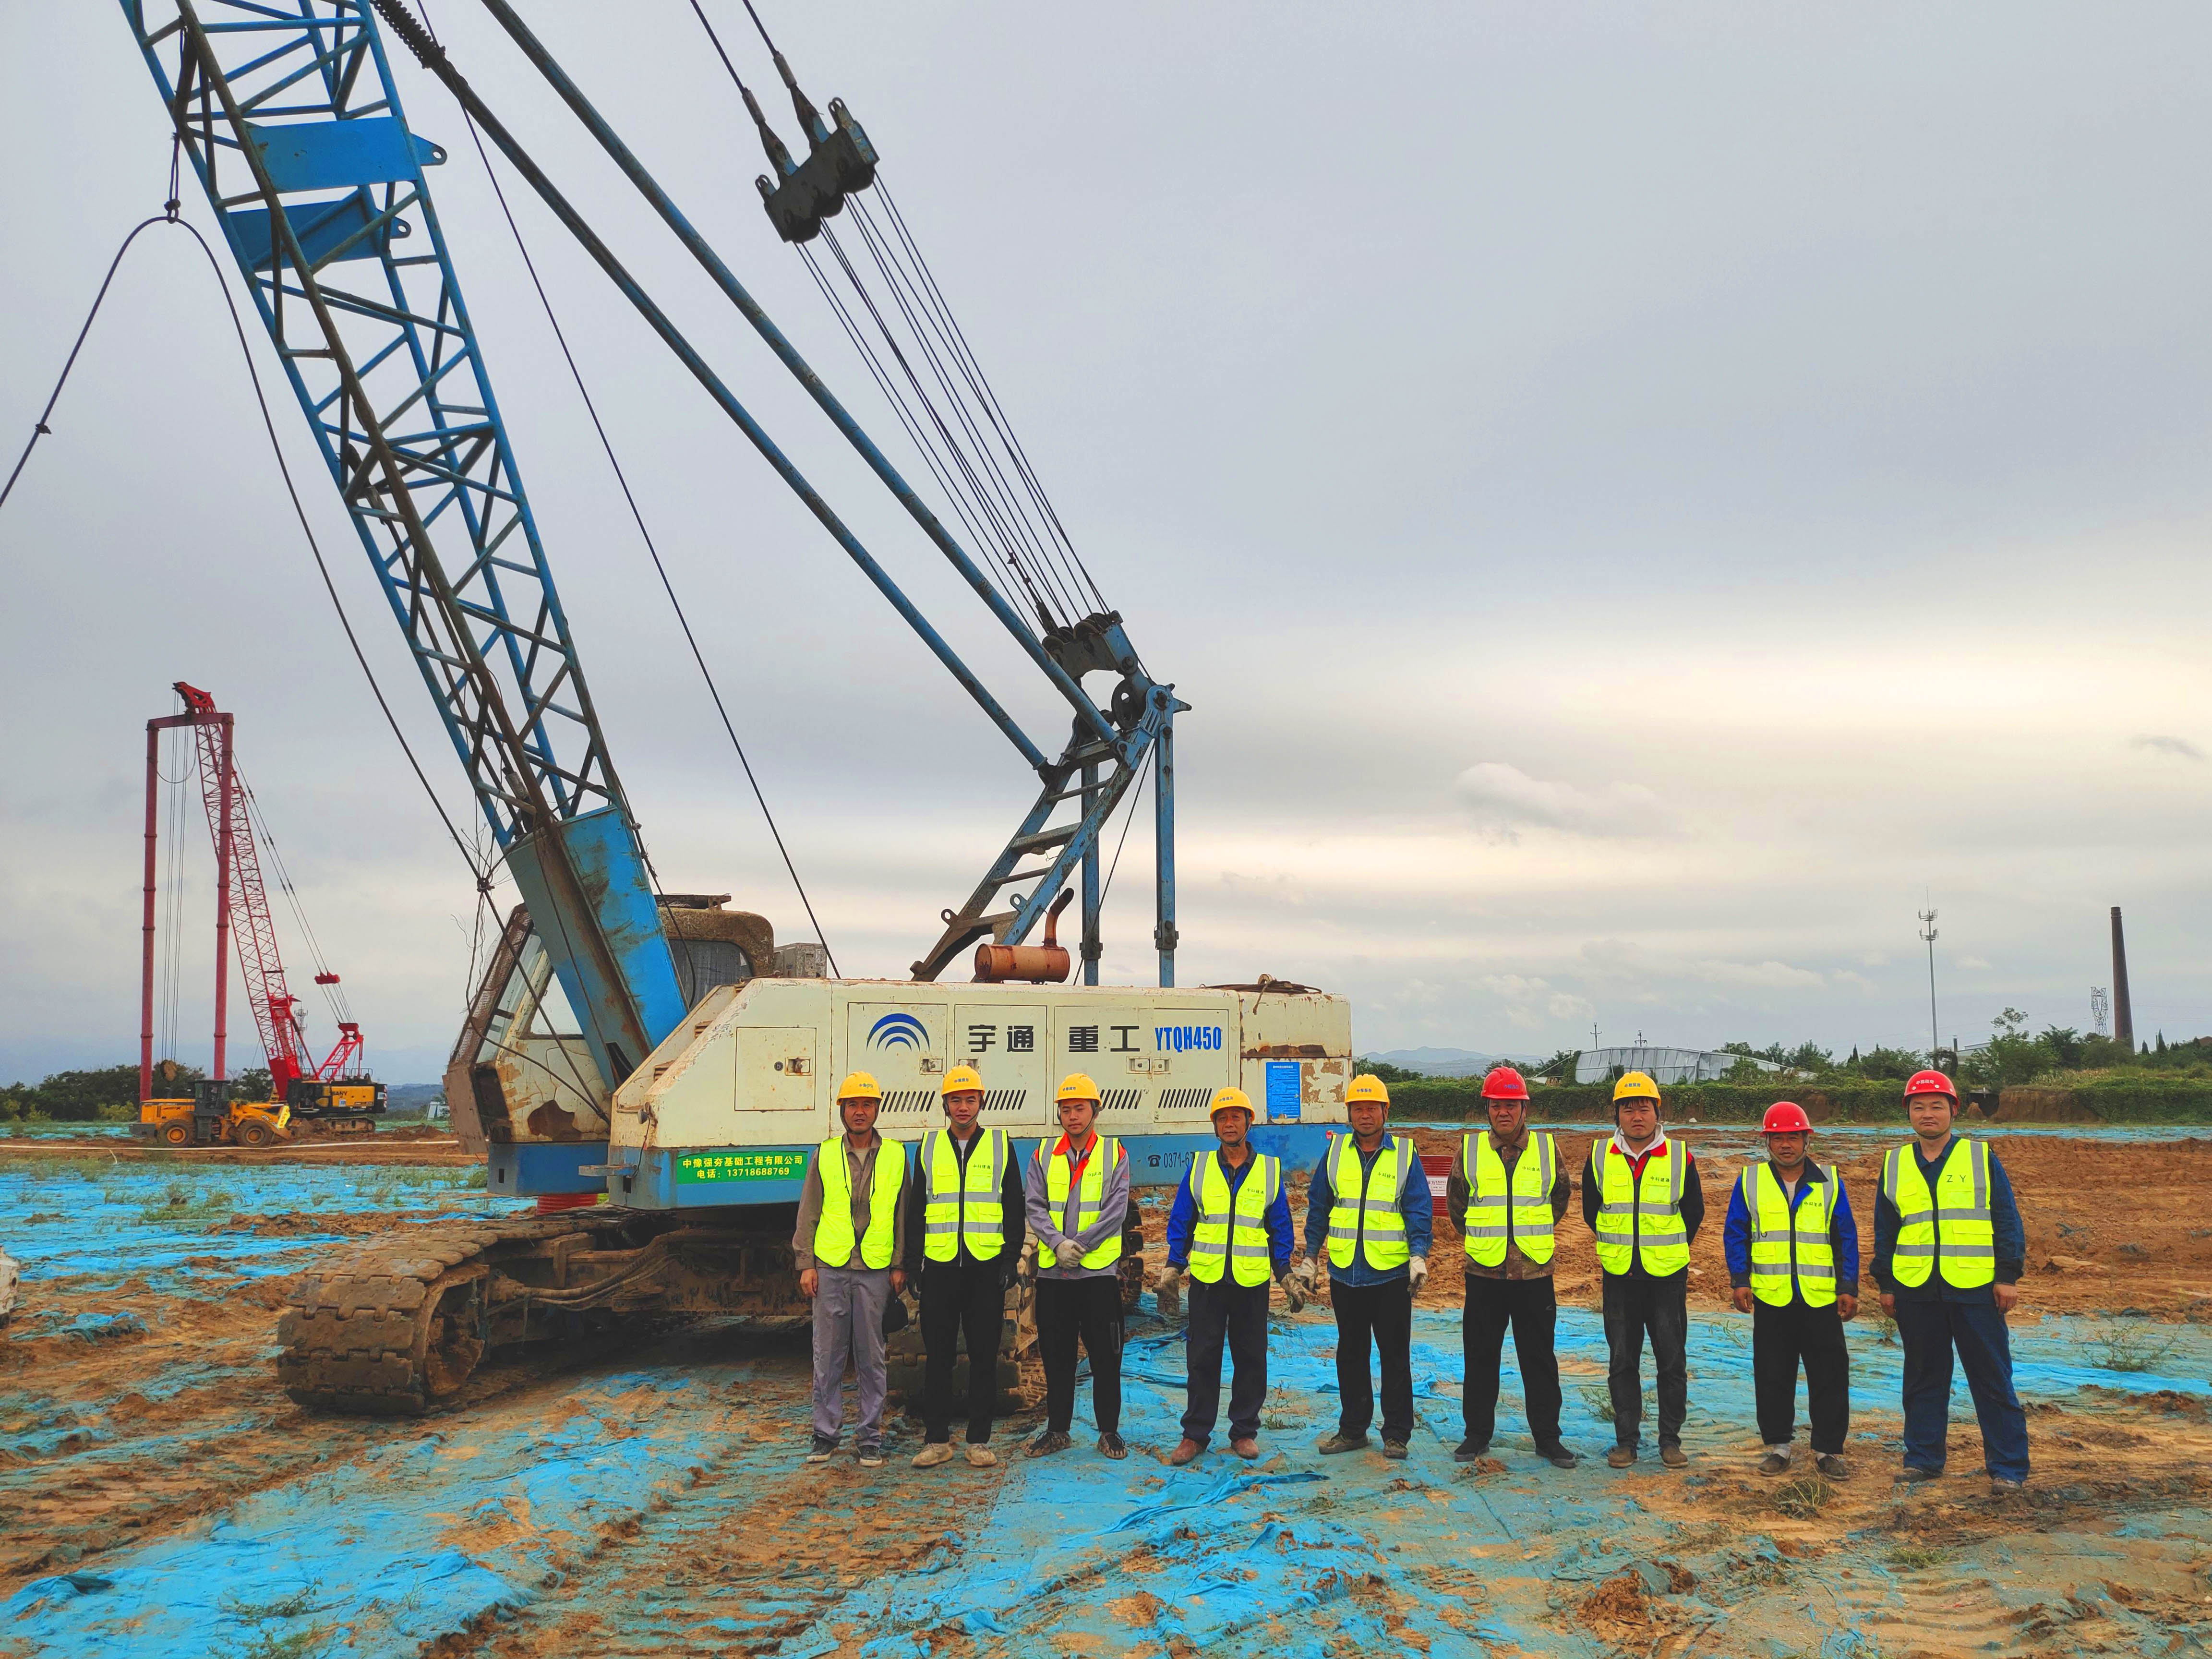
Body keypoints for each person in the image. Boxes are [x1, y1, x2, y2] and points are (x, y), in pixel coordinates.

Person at [1871, 1069, 2030, 1495]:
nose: (1928, 1114)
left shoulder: (1980, 1157)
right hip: (1916, 1288)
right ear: (1908, 1113)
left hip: (1975, 1287)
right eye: (1919, 1107)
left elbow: (2006, 1219)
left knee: (1992, 1378)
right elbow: (1886, 1231)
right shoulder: (1894, 1163)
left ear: (1954, 1110)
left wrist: (2008, 1275)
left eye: (1936, 1106)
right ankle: (1923, 1459)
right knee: (1923, 1377)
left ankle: (2008, 1467)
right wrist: (1886, 1284)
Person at [1443, 1065, 1577, 1469]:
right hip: (1485, 1273)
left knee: (1539, 1358)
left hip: (1534, 1274)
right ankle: (1477, 1435)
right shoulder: (1469, 1151)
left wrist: (1527, 1239)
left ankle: (1548, 1439)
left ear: (1525, 1109)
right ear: (1488, 1109)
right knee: (1480, 1357)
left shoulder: (1547, 1149)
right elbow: (1457, 1207)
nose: (1504, 1112)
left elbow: (1560, 1198)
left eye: (1512, 1105)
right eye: (1497, 1105)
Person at [1297, 1072, 1432, 1460]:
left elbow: (1419, 1209)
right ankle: (1353, 1429)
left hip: (1389, 1275)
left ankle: (1396, 1434)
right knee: (1350, 1353)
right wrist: (1311, 1258)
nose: (1365, 1114)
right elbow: (1320, 1206)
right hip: (1345, 1272)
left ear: (1385, 1111)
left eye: (1372, 1107)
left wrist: (1418, 1255)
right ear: (1350, 1113)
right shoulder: (1336, 1153)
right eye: (1358, 1108)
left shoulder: (1405, 1154)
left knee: (1394, 1354)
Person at [1723, 1101, 1860, 1479]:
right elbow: (1736, 1233)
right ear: (1767, 1141)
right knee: (1772, 1373)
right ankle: (1778, 1447)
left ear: (1806, 1139)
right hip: (1772, 1296)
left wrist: (1849, 1285)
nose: (1786, 1145)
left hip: (1821, 1298)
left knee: (1830, 1374)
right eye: (1778, 1138)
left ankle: (1827, 1450)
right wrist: (1740, 1280)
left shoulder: (1829, 1181)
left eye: (1793, 1137)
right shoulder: (1750, 1181)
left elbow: (1845, 1236)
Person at [1163, 1086, 1297, 1465]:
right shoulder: (1201, 1166)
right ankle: (1195, 1434)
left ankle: (1243, 1432)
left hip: (1251, 1280)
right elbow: (1182, 1219)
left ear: (1249, 1122)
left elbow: (1280, 1226)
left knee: (1250, 1357)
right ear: (1215, 1126)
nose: (1229, 1123)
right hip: (1207, 1278)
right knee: (1201, 1357)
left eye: (1236, 1116)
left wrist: (1284, 1270)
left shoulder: (1269, 1170)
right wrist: (1174, 1264)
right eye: (1222, 1118)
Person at [903, 1063, 1025, 1469]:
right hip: (939, 1267)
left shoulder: (999, 1144)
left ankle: (979, 1440)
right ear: (945, 1104)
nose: (962, 1107)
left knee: (984, 1354)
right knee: (938, 1355)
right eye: (955, 1100)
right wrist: (913, 1264)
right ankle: (937, 1439)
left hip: (985, 1267)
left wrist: (1010, 1259)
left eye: (970, 1099)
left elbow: (1013, 1206)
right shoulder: (929, 1145)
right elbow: (917, 1208)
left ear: (981, 1103)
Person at [1583, 1070, 1704, 1469]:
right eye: (1628, 1108)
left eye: (1645, 1107)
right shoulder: (1600, 1157)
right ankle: (1626, 1443)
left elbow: (1694, 1213)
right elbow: (1591, 1211)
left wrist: (1663, 1250)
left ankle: (1670, 1441)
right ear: (1616, 1114)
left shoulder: (1680, 1156)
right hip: (1620, 1277)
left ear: (1658, 1111)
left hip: (1667, 1278)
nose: (1637, 1115)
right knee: (1623, 1361)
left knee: (1672, 1361)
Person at [794, 1071, 908, 1467]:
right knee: (827, 1354)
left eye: (867, 1104)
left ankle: (870, 1438)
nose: (860, 1112)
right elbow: (809, 1211)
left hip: (876, 1269)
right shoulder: (824, 1154)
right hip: (831, 1268)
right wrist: (806, 1263)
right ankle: (825, 1435)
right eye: (852, 1105)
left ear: (877, 1109)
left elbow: (901, 1215)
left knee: (871, 1356)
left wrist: (899, 1264)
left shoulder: (895, 1155)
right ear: (842, 1110)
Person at [1023, 1072, 1132, 1459]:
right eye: (1066, 1109)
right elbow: (1034, 1206)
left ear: (1095, 1111)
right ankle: (1058, 1430)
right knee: (1057, 1356)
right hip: (1055, 1276)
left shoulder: (1114, 1153)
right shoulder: (1042, 1154)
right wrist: (1057, 1243)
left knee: (1105, 1355)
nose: (1072, 1116)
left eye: (1079, 1109)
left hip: (1097, 1275)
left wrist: (1081, 1246)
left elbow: (1116, 1210)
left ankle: (1109, 1431)